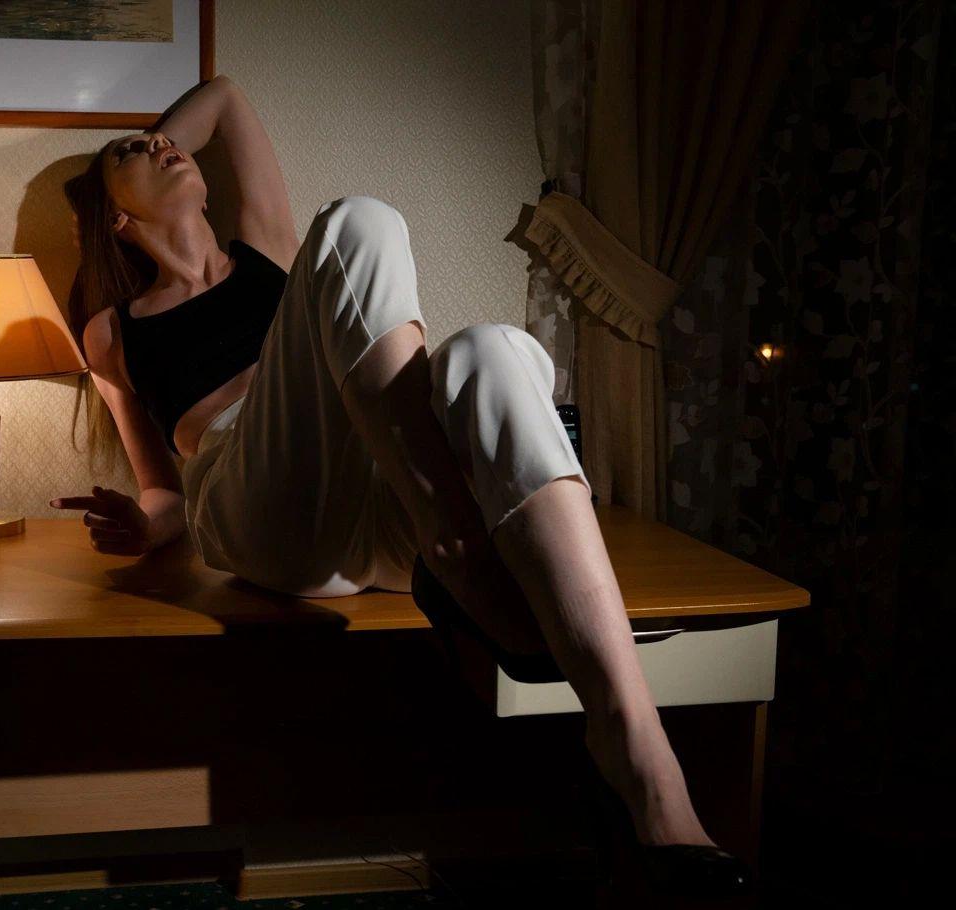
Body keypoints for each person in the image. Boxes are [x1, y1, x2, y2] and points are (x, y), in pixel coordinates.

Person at [51, 74, 751, 896]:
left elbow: (228, 97)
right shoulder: (112, 333)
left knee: (491, 349)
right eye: (131, 154)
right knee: (356, 221)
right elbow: (165, 491)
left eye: (167, 139)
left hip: (390, 496)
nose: (161, 144)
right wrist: (144, 526)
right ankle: (461, 546)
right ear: (116, 219)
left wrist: (149, 146)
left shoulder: (266, 252)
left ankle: (639, 753)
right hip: (263, 507)